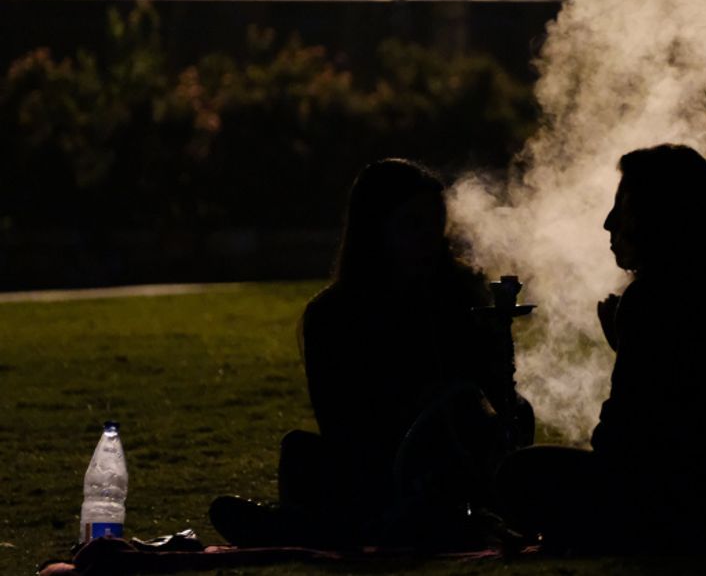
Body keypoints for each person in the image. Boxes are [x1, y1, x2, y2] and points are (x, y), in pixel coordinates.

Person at [496, 144, 706, 552]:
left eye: (622, 208)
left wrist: (628, 345)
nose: (608, 224)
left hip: (686, 501)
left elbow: (625, 441)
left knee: (519, 473)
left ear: (658, 217)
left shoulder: (655, 297)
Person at [211, 159, 533, 549]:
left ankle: (321, 528)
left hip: (456, 467)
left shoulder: (460, 298)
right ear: (375, 230)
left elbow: (492, 402)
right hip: (378, 470)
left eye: (435, 223)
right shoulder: (333, 315)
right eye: (411, 225)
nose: (428, 238)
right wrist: (411, 403)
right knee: (303, 454)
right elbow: (343, 426)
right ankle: (361, 524)